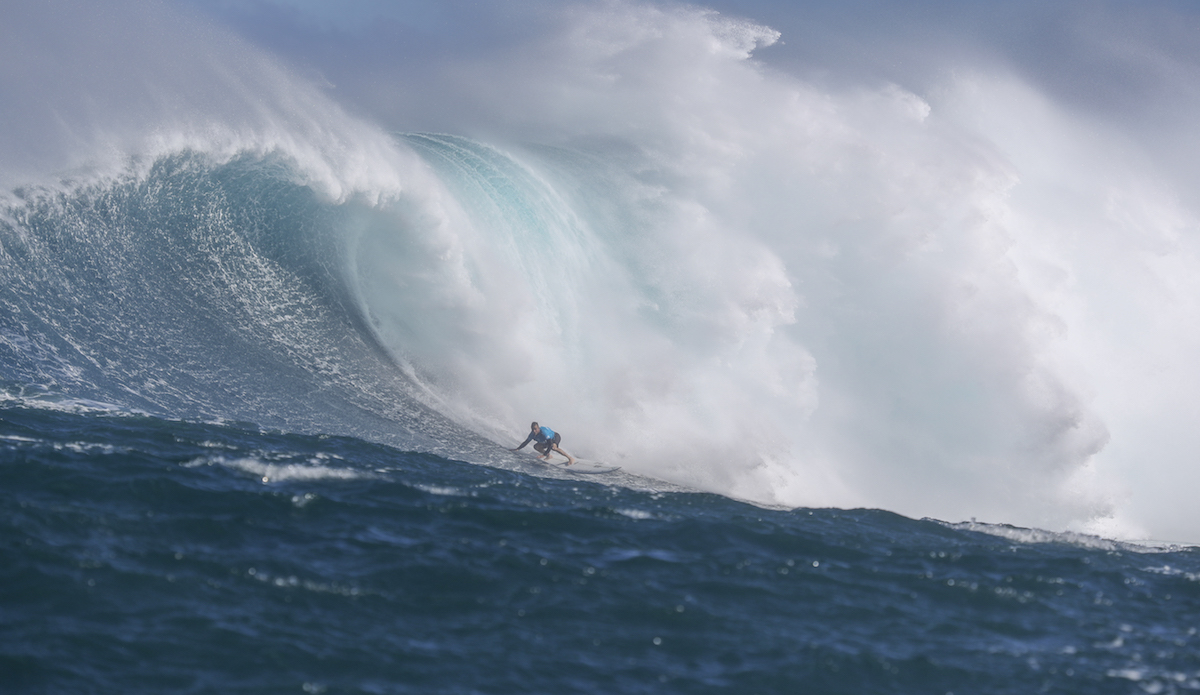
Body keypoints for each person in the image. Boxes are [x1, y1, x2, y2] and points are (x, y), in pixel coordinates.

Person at [512, 421, 577, 465]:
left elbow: (550, 444)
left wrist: (543, 455)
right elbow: (526, 442)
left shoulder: (544, 433)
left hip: (555, 437)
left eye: (535, 429)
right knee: (536, 446)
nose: (534, 431)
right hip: (546, 441)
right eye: (533, 429)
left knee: (554, 447)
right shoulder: (532, 434)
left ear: (538, 428)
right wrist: (517, 449)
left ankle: (571, 458)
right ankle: (549, 456)